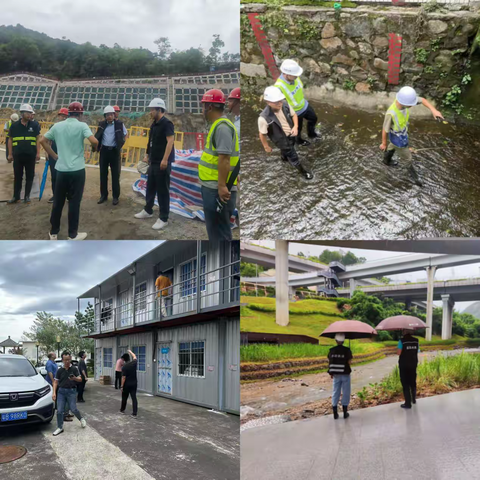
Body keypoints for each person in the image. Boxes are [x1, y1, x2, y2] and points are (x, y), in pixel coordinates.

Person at [40, 102, 98, 241]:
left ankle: (53, 232)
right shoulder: (82, 126)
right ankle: (72, 234)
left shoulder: (57, 126)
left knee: (58, 201)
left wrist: (54, 155)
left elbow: (42, 140)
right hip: (77, 170)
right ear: (80, 114)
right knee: (74, 202)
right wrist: (95, 148)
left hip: (61, 169)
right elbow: (94, 141)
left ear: (68, 113)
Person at [380, 86, 444, 187]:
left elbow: (422, 100)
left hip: (400, 134)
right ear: (404, 102)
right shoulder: (391, 113)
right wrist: (383, 143)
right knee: (408, 158)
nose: (412, 106)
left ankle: (386, 160)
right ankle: (415, 178)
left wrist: (434, 110)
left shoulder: (403, 102)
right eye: (410, 105)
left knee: (392, 146)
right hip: (399, 140)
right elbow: (385, 129)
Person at [198, 89, 239, 241]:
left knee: (219, 234)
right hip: (214, 187)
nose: (202, 110)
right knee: (215, 230)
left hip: (217, 189)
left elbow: (225, 159)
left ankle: (224, 259)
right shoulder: (219, 125)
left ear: (209, 107)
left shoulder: (222, 127)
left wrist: (222, 186)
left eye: (203, 106)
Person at [134, 98, 175, 230]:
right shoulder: (154, 124)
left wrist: (165, 159)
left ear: (159, 110)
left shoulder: (167, 123)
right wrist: (147, 155)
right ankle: (148, 210)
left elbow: (170, 141)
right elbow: (150, 141)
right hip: (153, 161)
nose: (150, 112)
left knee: (163, 190)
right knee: (150, 187)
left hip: (162, 162)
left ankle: (164, 218)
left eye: (152, 110)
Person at [259, 86, 313, 180]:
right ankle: (303, 172)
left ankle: (284, 158)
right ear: (268, 102)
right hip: (280, 140)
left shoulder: (285, 104)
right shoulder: (263, 118)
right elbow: (262, 134)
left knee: (288, 148)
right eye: (276, 102)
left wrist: (295, 126)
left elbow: (294, 115)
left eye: (280, 100)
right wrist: (266, 146)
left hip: (291, 134)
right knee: (293, 156)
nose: (279, 103)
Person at [274, 59, 319, 146]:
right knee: (297, 129)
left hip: (304, 105)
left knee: (313, 118)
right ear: (286, 74)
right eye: (295, 75)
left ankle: (312, 135)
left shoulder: (295, 77)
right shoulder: (279, 87)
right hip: (295, 113)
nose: (297, 76)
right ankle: (299, 141)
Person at [6, 104, 41, 204]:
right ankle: (16, 197)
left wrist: (38, 153)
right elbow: (10, 140)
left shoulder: (35, 125)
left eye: (31, 113)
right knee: (18, 176)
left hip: (31, 155)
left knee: (30, 176)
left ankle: (27, 197)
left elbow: (38, 139)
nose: (30, 115)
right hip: (18, 155)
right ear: (22, 113)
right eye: (28, 113)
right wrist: (10, 154)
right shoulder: (14, 126)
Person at [95, 105, 127, 205]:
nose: (110, 116)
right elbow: (98, 136)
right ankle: (103, 196)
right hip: (104, 151)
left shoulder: (119, 124)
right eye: (108, 115)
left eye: (111, 114)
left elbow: (125, 134)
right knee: (103, 175)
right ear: (105, 116)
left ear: (114, 115)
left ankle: (115, 197)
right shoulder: (101, 124)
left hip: (114, 152)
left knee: (115, 175)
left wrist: (120, 144)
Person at [52, 351, 87, 436]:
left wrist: (74, 378)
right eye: (65, 360)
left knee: (73, 409)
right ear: (62, 360)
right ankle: (60, 427)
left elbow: (80, 379)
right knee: (59, 411)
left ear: (70, 359)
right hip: (61, 392)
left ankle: (81, 418)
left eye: (68, 359)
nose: (67, 362)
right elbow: (55, 382)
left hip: (71, 391)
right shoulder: (60, 370)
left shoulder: (74, 369)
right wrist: (54, 393)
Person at [44, 108, 69, 203]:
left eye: (65, 116)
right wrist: (47, 153)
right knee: (54, 176)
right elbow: (47, 141)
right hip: (54, 154)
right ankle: (56, 195)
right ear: (58, 116)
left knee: (66, 176)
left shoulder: (69, 128)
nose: (63, 117)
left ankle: (67, 194)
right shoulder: (53, 127)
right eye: (62, 115)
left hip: (66, 155)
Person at [328, 333, 353, 419]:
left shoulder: (331, 350)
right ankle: (345, 412)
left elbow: (330, 361)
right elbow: (349, 362)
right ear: (343, 340)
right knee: (346, 392)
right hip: (345, 374)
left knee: (335, 392)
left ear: (336, 340)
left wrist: (331, 373)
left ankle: (335, 413)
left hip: (336, 374)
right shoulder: (347, 350)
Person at [397, 329, 420, 409]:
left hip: (404, 365)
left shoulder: (402, 341)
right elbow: (418, 351)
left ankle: (407, 403)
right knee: (412, 382)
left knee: (405, 383)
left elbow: (399, 353)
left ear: (404, 332)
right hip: (413, 364)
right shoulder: (416, 341)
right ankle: (413, 399)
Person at [120, 350, 138, 418]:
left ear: (124, 359)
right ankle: (134, 413)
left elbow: (123, 378)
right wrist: (130, 351)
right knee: (134, 398)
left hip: (126, 385)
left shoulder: (124, 366)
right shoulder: (134, 363)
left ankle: (122, 410)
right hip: (134, 384)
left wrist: (121, 386)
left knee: (124, 398)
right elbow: (134, 356)